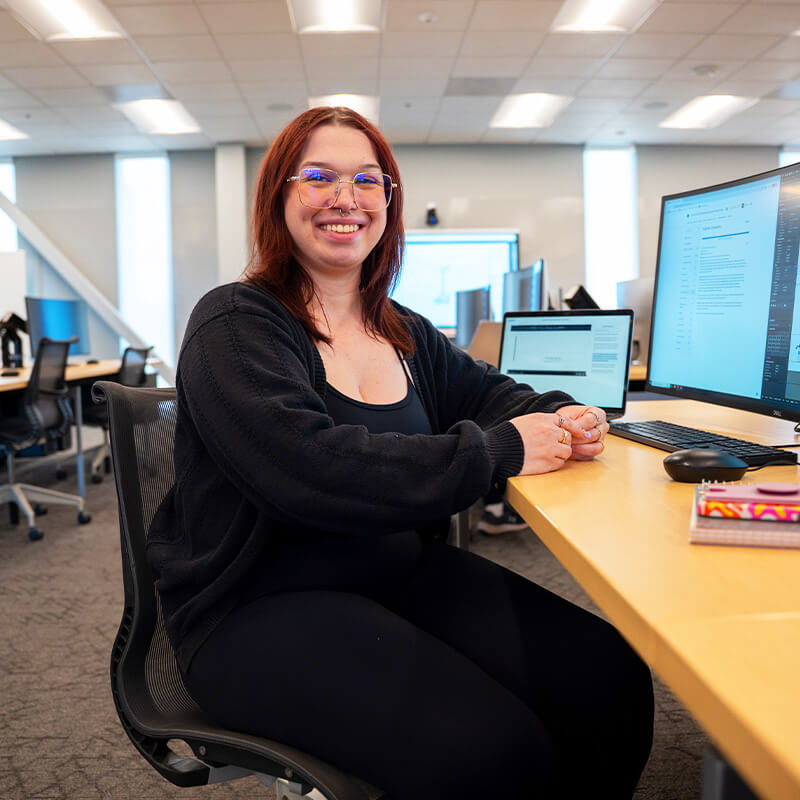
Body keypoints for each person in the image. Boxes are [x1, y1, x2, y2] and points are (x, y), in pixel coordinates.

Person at [147, 106, 654, 800]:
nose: (344, 198)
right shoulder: (236, 323)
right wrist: (501, 452)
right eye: (318, 176)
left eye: (367, 180)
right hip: (258, 604)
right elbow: (311, 471)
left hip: (396, 575)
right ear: (278, 196)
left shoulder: (401, 329)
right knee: (493, 753)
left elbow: (489, 395)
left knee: (606, 678)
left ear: (388, 200)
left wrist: (558, 415)